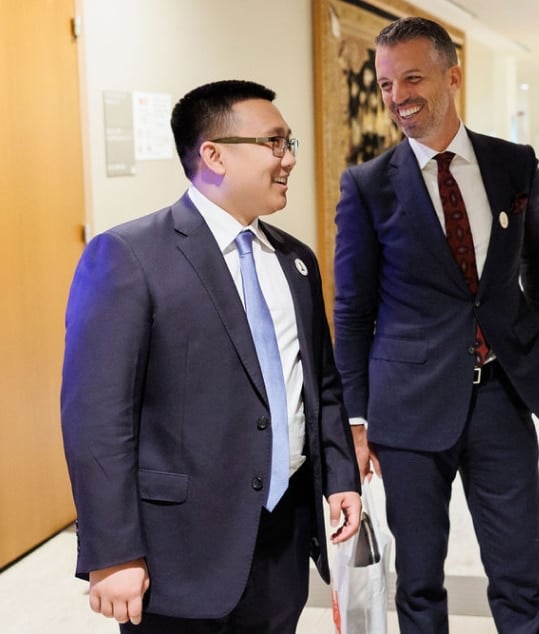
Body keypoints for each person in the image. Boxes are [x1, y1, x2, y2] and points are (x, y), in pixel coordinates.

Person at [60, 79, 361, 633]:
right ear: (214, 156)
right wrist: (113, 551)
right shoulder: (130, 256)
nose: (289, 158)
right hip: (179, 548)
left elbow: (319, 383)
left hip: (283, 532)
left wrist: (340, 476)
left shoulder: (295, 260)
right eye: (274, 142)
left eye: (288, 142)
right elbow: (97, 420)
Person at [333, 16, 539, 634]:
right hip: (409, 408)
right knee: (420, 582)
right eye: (385, 84)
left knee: (520, 575)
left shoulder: (513, 164)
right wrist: (356, 419)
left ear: (452, 77)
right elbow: (352, 310)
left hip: (502, 395)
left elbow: (538, 254)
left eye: (412, 78)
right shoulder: (368, 186)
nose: (397, 96)